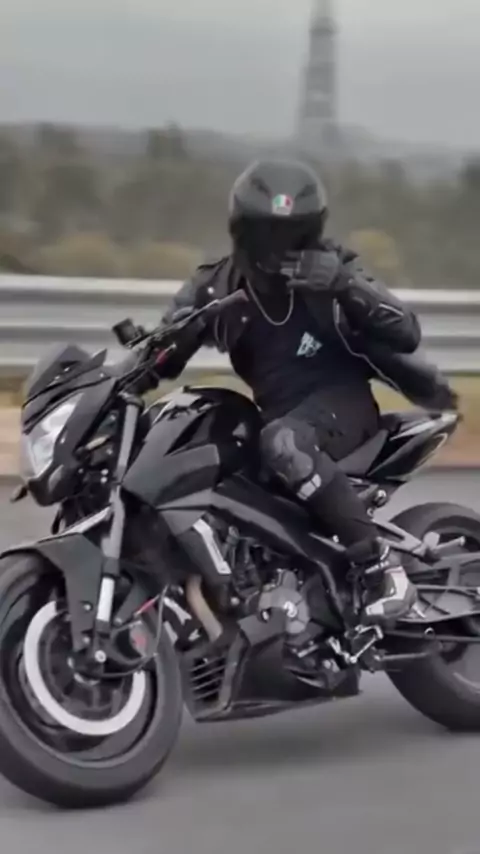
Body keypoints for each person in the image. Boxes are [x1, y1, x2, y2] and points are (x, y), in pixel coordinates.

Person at [158, 158, 457, 647]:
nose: (280, 248)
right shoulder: (217, 286)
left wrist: (344, 284)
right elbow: (162, 350)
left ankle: (379, 567)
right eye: (267, 234)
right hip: (277, 417)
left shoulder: (335, 267)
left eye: (294, 235)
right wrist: (163, 346)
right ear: (242, 232)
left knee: (284, 443)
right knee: (199, 447)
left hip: (343, 407)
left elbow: (405, 330)